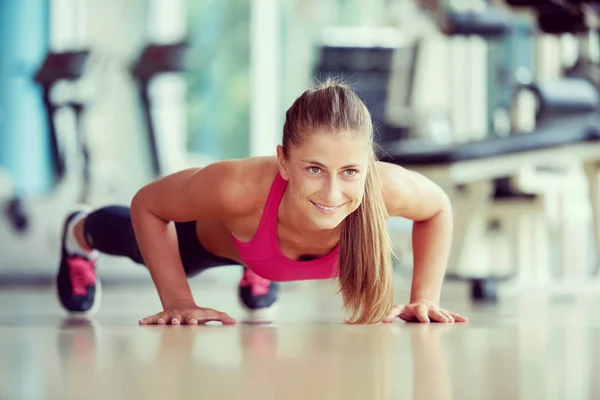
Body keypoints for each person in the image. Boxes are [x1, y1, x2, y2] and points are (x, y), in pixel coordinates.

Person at [55, 80, 468, 325]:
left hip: (264, 249)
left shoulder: (385, 188)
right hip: (214, 241)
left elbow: (437, 208)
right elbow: (148, 203)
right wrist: (179, 302)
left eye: (350, 172)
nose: (332, 193)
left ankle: (260, 272)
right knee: (139, 245)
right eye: (314, 169)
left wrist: (425, 297)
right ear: (283, 161)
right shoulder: (237, 187)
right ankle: (79, 231)